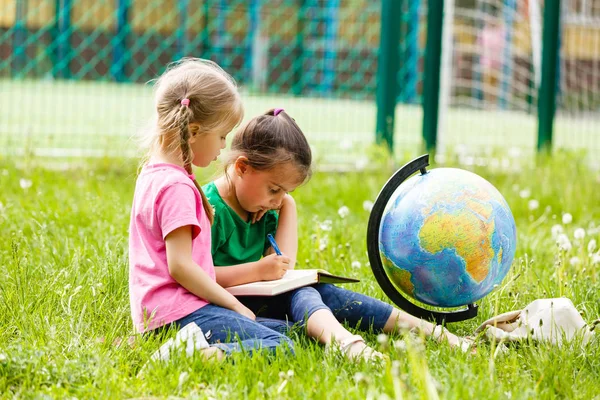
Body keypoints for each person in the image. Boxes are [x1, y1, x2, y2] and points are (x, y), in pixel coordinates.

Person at [204, 108, 472, 361]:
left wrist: (287, 205)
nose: (278, 200)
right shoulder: (209, 207)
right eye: (274, 189)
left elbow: (285, 270)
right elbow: (196, 276)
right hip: (223, 305)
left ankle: (429, 331)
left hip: (256, 299)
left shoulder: (266, 206)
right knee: (304, 301)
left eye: (287, 192)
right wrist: (258, 270)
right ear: (242, 168)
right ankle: (345, 342)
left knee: (316, 292)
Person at [128, 59, 294, 361]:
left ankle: (180, 345)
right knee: (282, 345)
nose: (223, 147)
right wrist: (232, 304)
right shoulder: (176, 186)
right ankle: (193, 355)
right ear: (193, 131)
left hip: (166, 315)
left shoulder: (153, 174)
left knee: (289, 330)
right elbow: (181, 266)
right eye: (221, 136)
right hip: (179, 314)